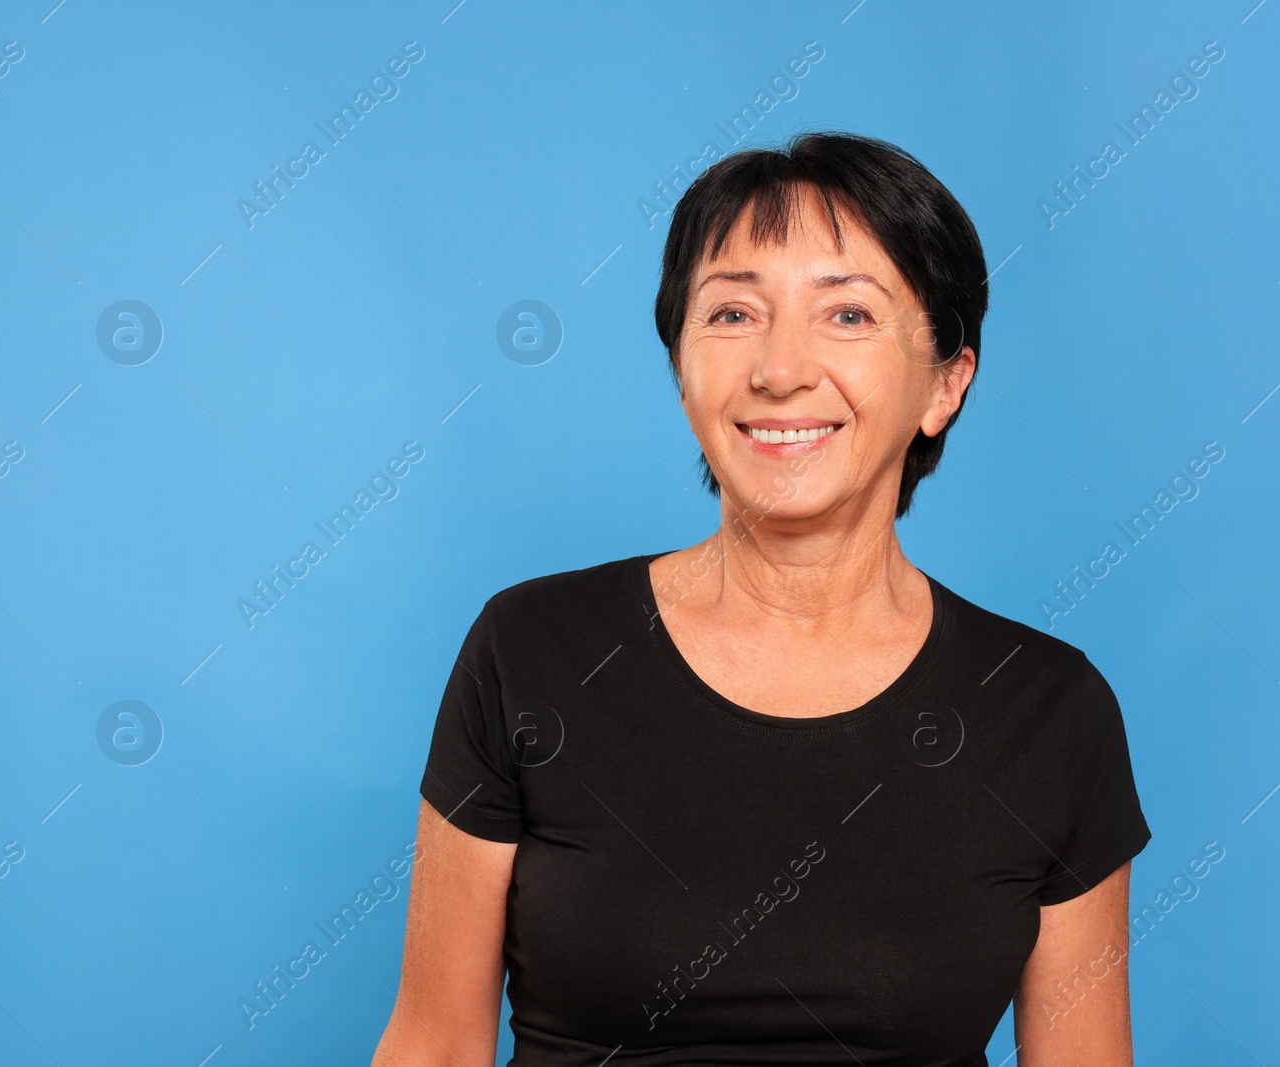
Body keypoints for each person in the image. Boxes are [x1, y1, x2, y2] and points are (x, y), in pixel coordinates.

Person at [372, 130, 1151, 1067]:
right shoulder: (530, 650)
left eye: (850, 316)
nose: (780, 370)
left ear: (946, 382)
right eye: (733, 313)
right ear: (680, 364)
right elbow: (435, 1046)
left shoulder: (1049, 712)